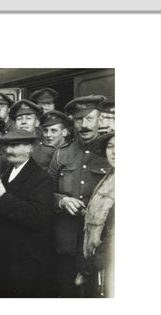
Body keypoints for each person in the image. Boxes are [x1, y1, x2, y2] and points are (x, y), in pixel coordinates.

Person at [48, 95, 111, 297]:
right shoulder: (60, 154)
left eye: (89, 119)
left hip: (97, 242)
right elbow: (44, 191)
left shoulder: (110, 152)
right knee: (66, 290)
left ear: (100, 120)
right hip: (65, 239)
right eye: (78, 119)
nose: (84, 125)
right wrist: (62, 201)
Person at [0, 129, 54, 297]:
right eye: (8, 146)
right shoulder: (7, 174)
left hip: (23, 263)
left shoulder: (41, 179)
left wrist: (4, 197)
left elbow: (36, 216)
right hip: (2, 260)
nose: (9, 151)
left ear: (29, 148)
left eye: (15, 146)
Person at [80, 132, 115, 297]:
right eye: (110, 147)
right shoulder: (110, 176)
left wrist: (93, 265)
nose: (114, 152)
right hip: (100, 260)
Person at [9, 99, 58, 171]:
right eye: (19, 119)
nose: (23, 122)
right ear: (15, 125)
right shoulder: (9, 151)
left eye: (28, 118)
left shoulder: (49, 152)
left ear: (37, 123)